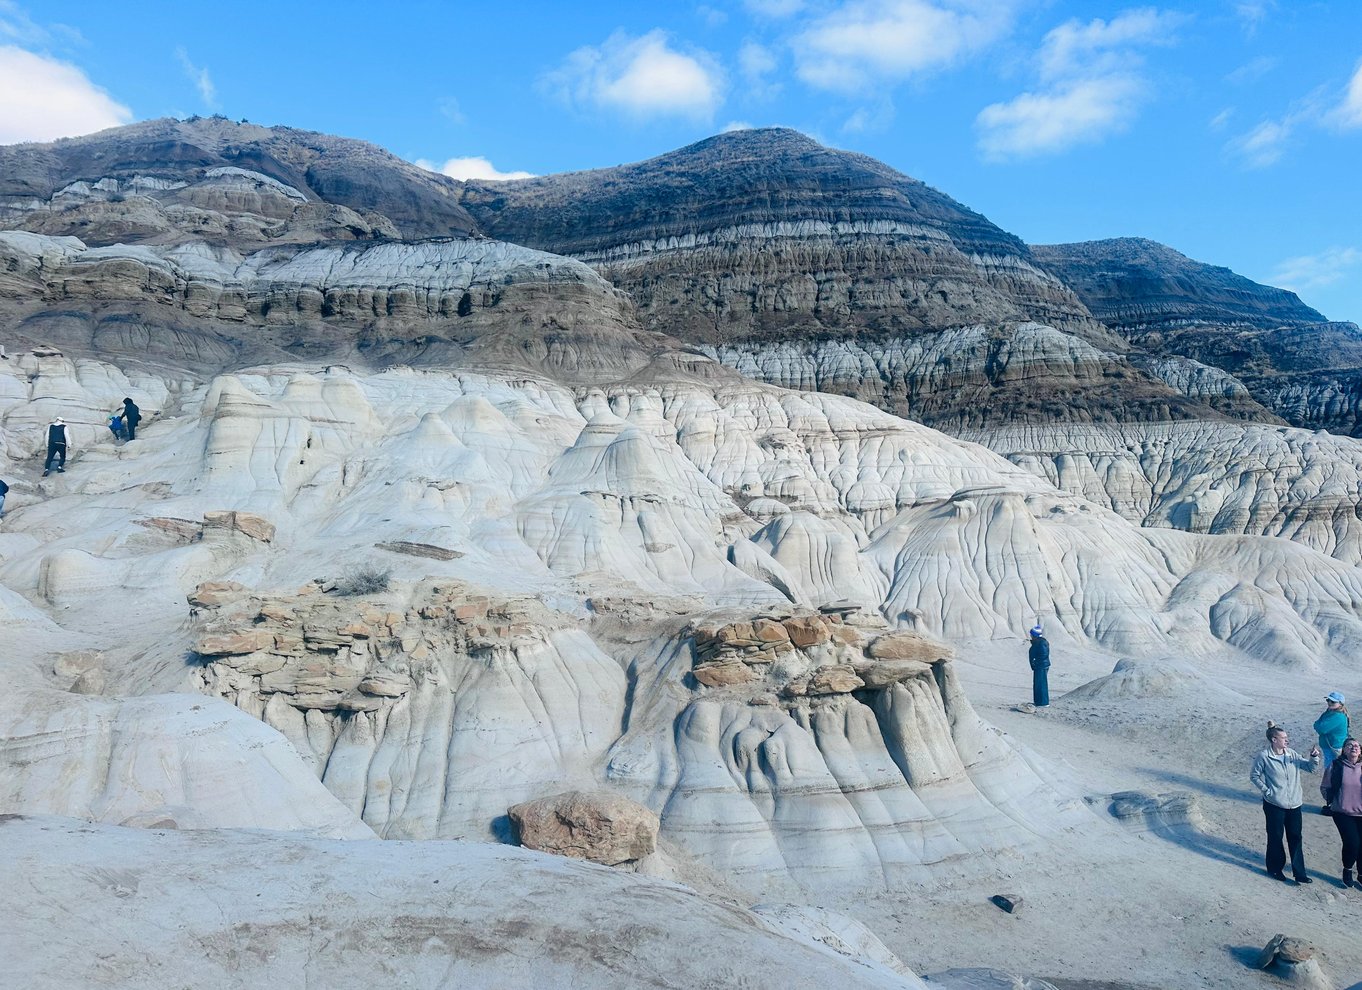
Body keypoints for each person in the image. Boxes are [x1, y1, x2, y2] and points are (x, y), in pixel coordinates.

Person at [1250, 722, 1321, 884]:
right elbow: (1254, 776)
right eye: (1284, 738)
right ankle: (1275, 869)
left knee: (1295, 837)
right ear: (1274, 739)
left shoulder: (1292, 754)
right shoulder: (1264, 756)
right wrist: (1267, 791)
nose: (1287, 740)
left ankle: (1300, 873)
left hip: (1295, 804)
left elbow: (1310, 768)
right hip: (1274, 804)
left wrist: (1314, 757)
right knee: (1275, 837)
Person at [1323, 737, 1362, 889]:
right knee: (1352, 842)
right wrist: (1333, 801)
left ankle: (1361, 875)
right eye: (1350, 745)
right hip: (1342, 813)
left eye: (1357, 745)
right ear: (1344, 750)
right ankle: (1347, 870)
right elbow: (1325, 786)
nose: (1354, 747)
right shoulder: (1336, 766)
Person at [1315, 692, 1350, 809]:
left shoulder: (1338, 716)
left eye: (1332, 702)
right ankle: (1333, 802)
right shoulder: (1330, 712)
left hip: (1334, 749)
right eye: (1328, 701)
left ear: (1340, 704)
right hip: (1330, 748)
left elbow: (1320, 727)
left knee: (1333, 776)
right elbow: (1317, 724)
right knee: (1332, 775)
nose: (1329, 703)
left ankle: (1335, 803)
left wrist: (1318, 725)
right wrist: (1318, 724)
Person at [1027, 625, 1050, 707]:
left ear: (1035, 635)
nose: (1031, 636)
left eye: (1032, 635)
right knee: (1038, 684)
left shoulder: (1038, 643)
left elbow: (1036, 655)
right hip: (1042, 665)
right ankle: (1038, 702)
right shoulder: (1043, 642)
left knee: (1040, 684)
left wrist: (1034, 664)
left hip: (1040, 666)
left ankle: (1043, 703)